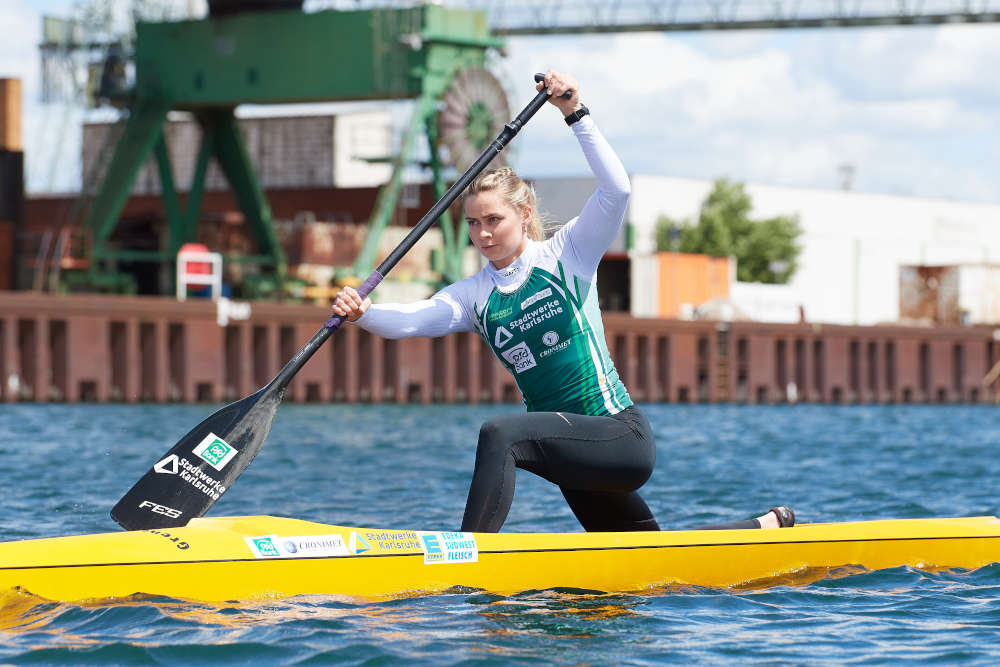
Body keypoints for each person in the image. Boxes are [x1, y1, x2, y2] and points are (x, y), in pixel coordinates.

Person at [333, 70, 794, 533]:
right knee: (642, 557)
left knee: (501, 434)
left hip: (620, 438)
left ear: (525, 214)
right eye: (473, 223)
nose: (483, 233)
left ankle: (467, 557)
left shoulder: (566, 254)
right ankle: (765, 527)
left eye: (494, 219)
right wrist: (365, 314)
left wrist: (574, 112)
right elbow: (415, 319)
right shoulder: (475, 296)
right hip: (569, 452)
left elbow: (617, 191)